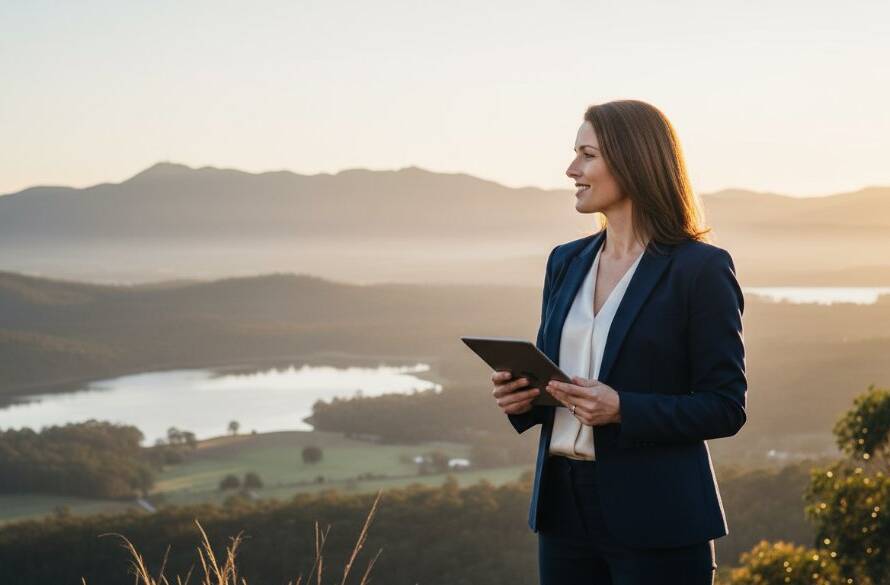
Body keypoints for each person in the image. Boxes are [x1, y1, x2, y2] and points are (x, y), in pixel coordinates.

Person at [490, 99, 746, 585]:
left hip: (660, 519)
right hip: (562, 513)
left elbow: (725, 407)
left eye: (587, 155)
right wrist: (523, 399)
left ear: (633, 161)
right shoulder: (565, 260)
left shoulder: (700, 269)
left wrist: (623, 408)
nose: (571, 169)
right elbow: (561, 387)